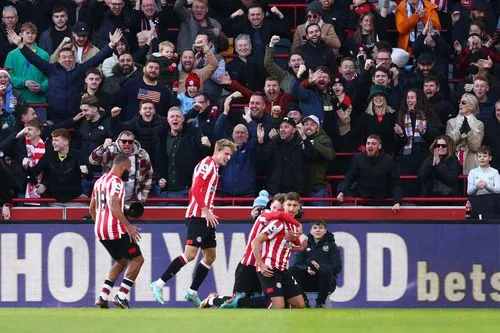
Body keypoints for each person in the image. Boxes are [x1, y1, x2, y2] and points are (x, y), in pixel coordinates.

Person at [150, 139, 237, 306]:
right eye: (226, 154)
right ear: (216, 151)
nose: (228, 157)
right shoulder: (207, 164)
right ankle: (159, 283)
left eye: (230, 155)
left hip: (206, 217)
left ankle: (192, 292)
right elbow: (195, 188)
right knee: (190, 254)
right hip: (198, 217)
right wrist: (204, 210)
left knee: (210, 256)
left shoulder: (215, 168)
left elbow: (195, 192)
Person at [6, 27, 123, 123]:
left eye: (69, 57)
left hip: (76, 116)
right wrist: (20, 45)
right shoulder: (51, 69)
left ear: (74, 58)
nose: (67, 59)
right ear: (58, 59)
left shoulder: (80, 69)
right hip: (55, 116)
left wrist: (111, 44)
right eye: (63, 57)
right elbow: (34, 59)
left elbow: (97, 58)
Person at [90, 154, 144, 309]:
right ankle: (121, 296)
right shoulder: (117, 182)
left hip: (100, 231)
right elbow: (114, 205)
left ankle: (102, 297)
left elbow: (91, 208)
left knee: (121, 261)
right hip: (115, 230)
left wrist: (100, 223)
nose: (129, 171)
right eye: (128, 168)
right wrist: (127, 226)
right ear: (122, 167)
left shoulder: (100, 181)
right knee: (137, 260)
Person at [251, 191, 306, 309]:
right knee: (278, 305)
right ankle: (238, 303)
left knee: (299, 305)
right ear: (284, 206)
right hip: (269, 268)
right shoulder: (278, 223)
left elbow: (283, 246)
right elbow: (255, 242)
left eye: (294, 205)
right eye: (289, 205)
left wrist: (298, 248)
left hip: (282, 269)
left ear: (299, 207)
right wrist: (260, 264)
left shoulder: (293, 226)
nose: (291, 208)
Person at [337, 135, 402, 211]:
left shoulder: (389, 160)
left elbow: (396, 183)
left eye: (373, 144)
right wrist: (342, 192)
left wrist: (397, 202)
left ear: (379, 146)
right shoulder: (358, 158)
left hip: (383, 200)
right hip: (362, 199)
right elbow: (349, 177)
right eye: (368, 143)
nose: (370, 146)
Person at [89, 130, 153, 204]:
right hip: (111, 197)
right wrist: (103, 147)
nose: (127, 144)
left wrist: (142, 197)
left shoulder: (143, 155)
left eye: (130, 142)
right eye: (124, 141)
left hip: (132, 199)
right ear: (118, 141)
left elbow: (149, 175)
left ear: (134, 142)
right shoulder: (110, 150)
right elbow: (92, 160)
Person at [290, 220, 342, 308]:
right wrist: (307, 269)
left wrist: (320, 268)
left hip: (326, 282)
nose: (318, 230)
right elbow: (298, 264)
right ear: (311, 231)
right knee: (292, 270)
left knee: (325, 270)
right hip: (307, 280)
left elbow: (337, 267)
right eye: (315, 228)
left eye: (321, 228)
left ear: (325, 231)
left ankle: (320, 302)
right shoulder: (304, 245)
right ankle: (304, 300)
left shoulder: (332, 246)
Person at [26, 128, 88, 203]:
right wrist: (26, 166)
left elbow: (87, 176)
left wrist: (86, 171)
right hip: (52, 200)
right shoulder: (49, 155)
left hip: (74, 199)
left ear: (65, 142)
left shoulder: (77, 155)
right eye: (53, 140)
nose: (53, 143)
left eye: (56, 140)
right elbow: (35, 171)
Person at [446, 93, 484, 174]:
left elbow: (475, 147)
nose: (460, 104)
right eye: (460, 102)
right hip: (453, 162)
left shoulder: (479, 124)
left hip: (471, 163)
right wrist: (459, 130)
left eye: (463, 103)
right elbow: (449, 145)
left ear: (471, 106)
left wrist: (469, 131)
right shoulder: (451, 122)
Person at [466, 145, 500, 218]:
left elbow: (498, 190)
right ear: (477, 158)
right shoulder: (472, 172)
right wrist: (476, 187)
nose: (482, 159)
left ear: (490, 158)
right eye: (479, 156)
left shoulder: (495, 172)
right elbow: (468, 192)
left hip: (492, 202)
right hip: (477, 202)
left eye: (484, 156)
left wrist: (487, 186)